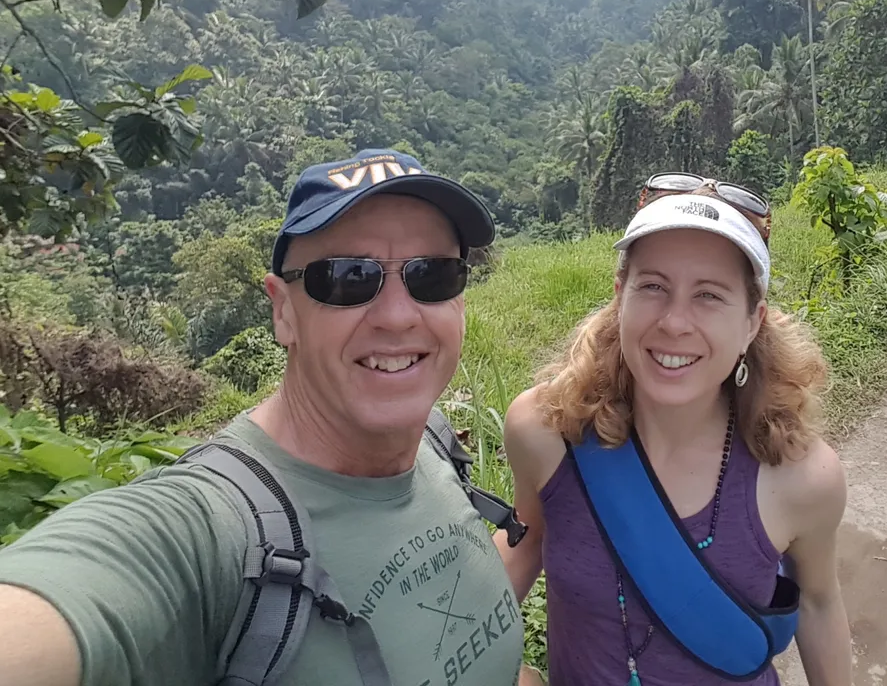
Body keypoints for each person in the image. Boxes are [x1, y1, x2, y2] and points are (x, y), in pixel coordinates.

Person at [0, 149, 533, 686]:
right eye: (348, 278)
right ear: (283, 310)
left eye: (432, 275)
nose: (397, 315)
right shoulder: (209, 530)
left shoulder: (436, 446)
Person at [502, 173, 854, 686]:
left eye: (708, 295)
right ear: (620, 295)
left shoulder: (802, 478)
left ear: (752, 322)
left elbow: (820, 603)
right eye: (653, 286)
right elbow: (525, 541)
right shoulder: (546, 432)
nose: (673, 322)